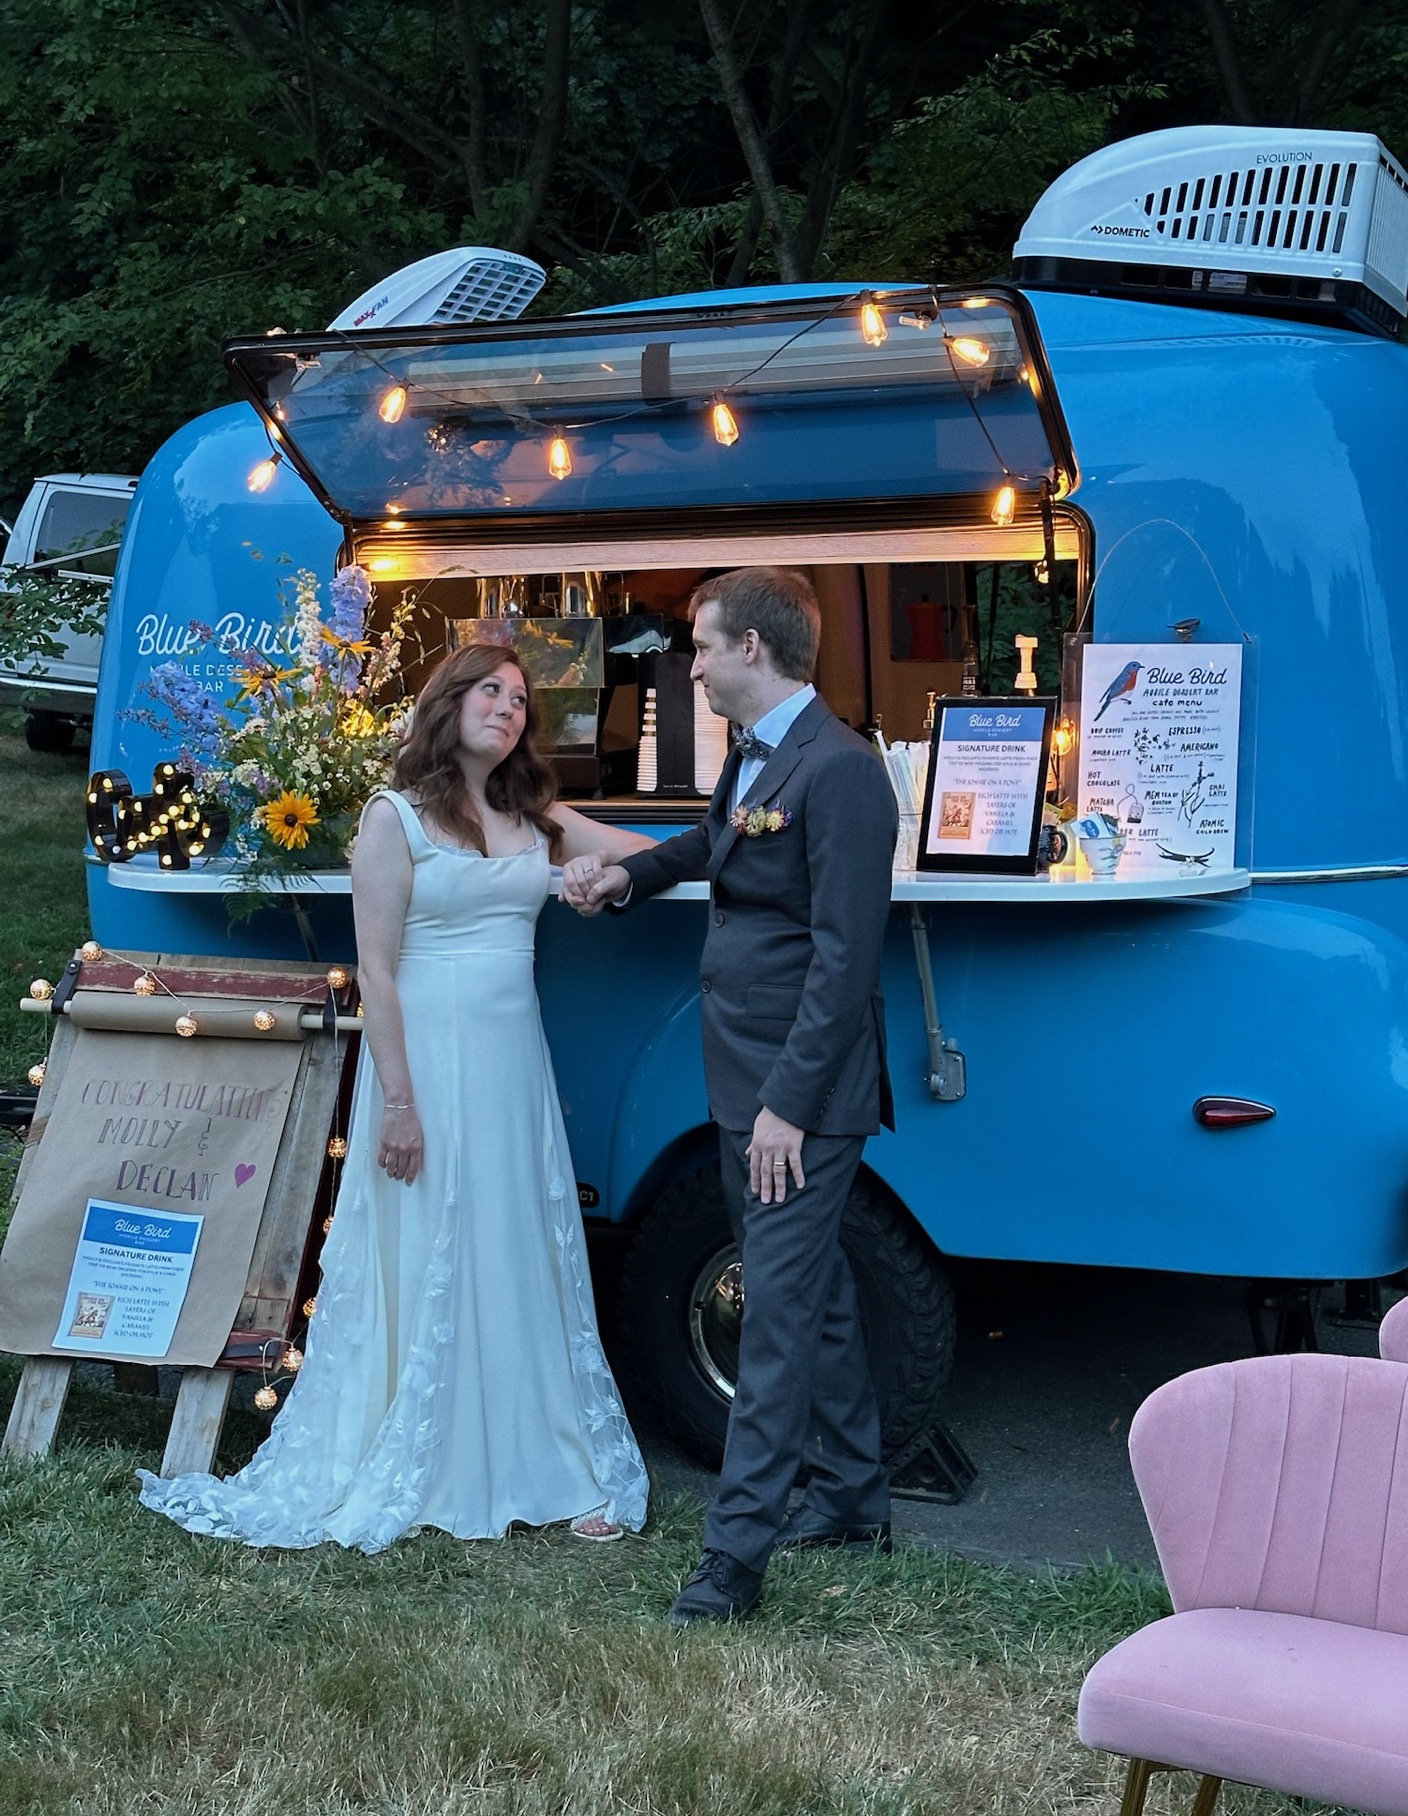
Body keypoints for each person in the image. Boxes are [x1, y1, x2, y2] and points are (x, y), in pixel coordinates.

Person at [139, 644, 652, 1552]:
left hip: (510, 1071)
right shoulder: (395, 817)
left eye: (521, 698)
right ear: (448, 704)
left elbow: (644, 855)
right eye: (489, 690)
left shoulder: (534, 814)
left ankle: (541, 1453)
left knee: (515, 1238)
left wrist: (599, 876)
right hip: (423, 1068)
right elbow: (376, 968)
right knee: (426, 1245)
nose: (507, 707)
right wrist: (402, 1105)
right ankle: (427, 1451)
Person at [563, 567, 897, 1624]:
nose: (691, 662)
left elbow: (847, 961)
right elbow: (719, 845)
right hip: (743, 1073)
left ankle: (732, 1560)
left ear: (753, 649)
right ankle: (850, 1497)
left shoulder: (840, 770)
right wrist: (630, 878)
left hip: (796, 1090)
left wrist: (789, 1107)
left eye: (702, 645)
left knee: (777, 1314)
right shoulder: (761, 757)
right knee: (817, 1295)